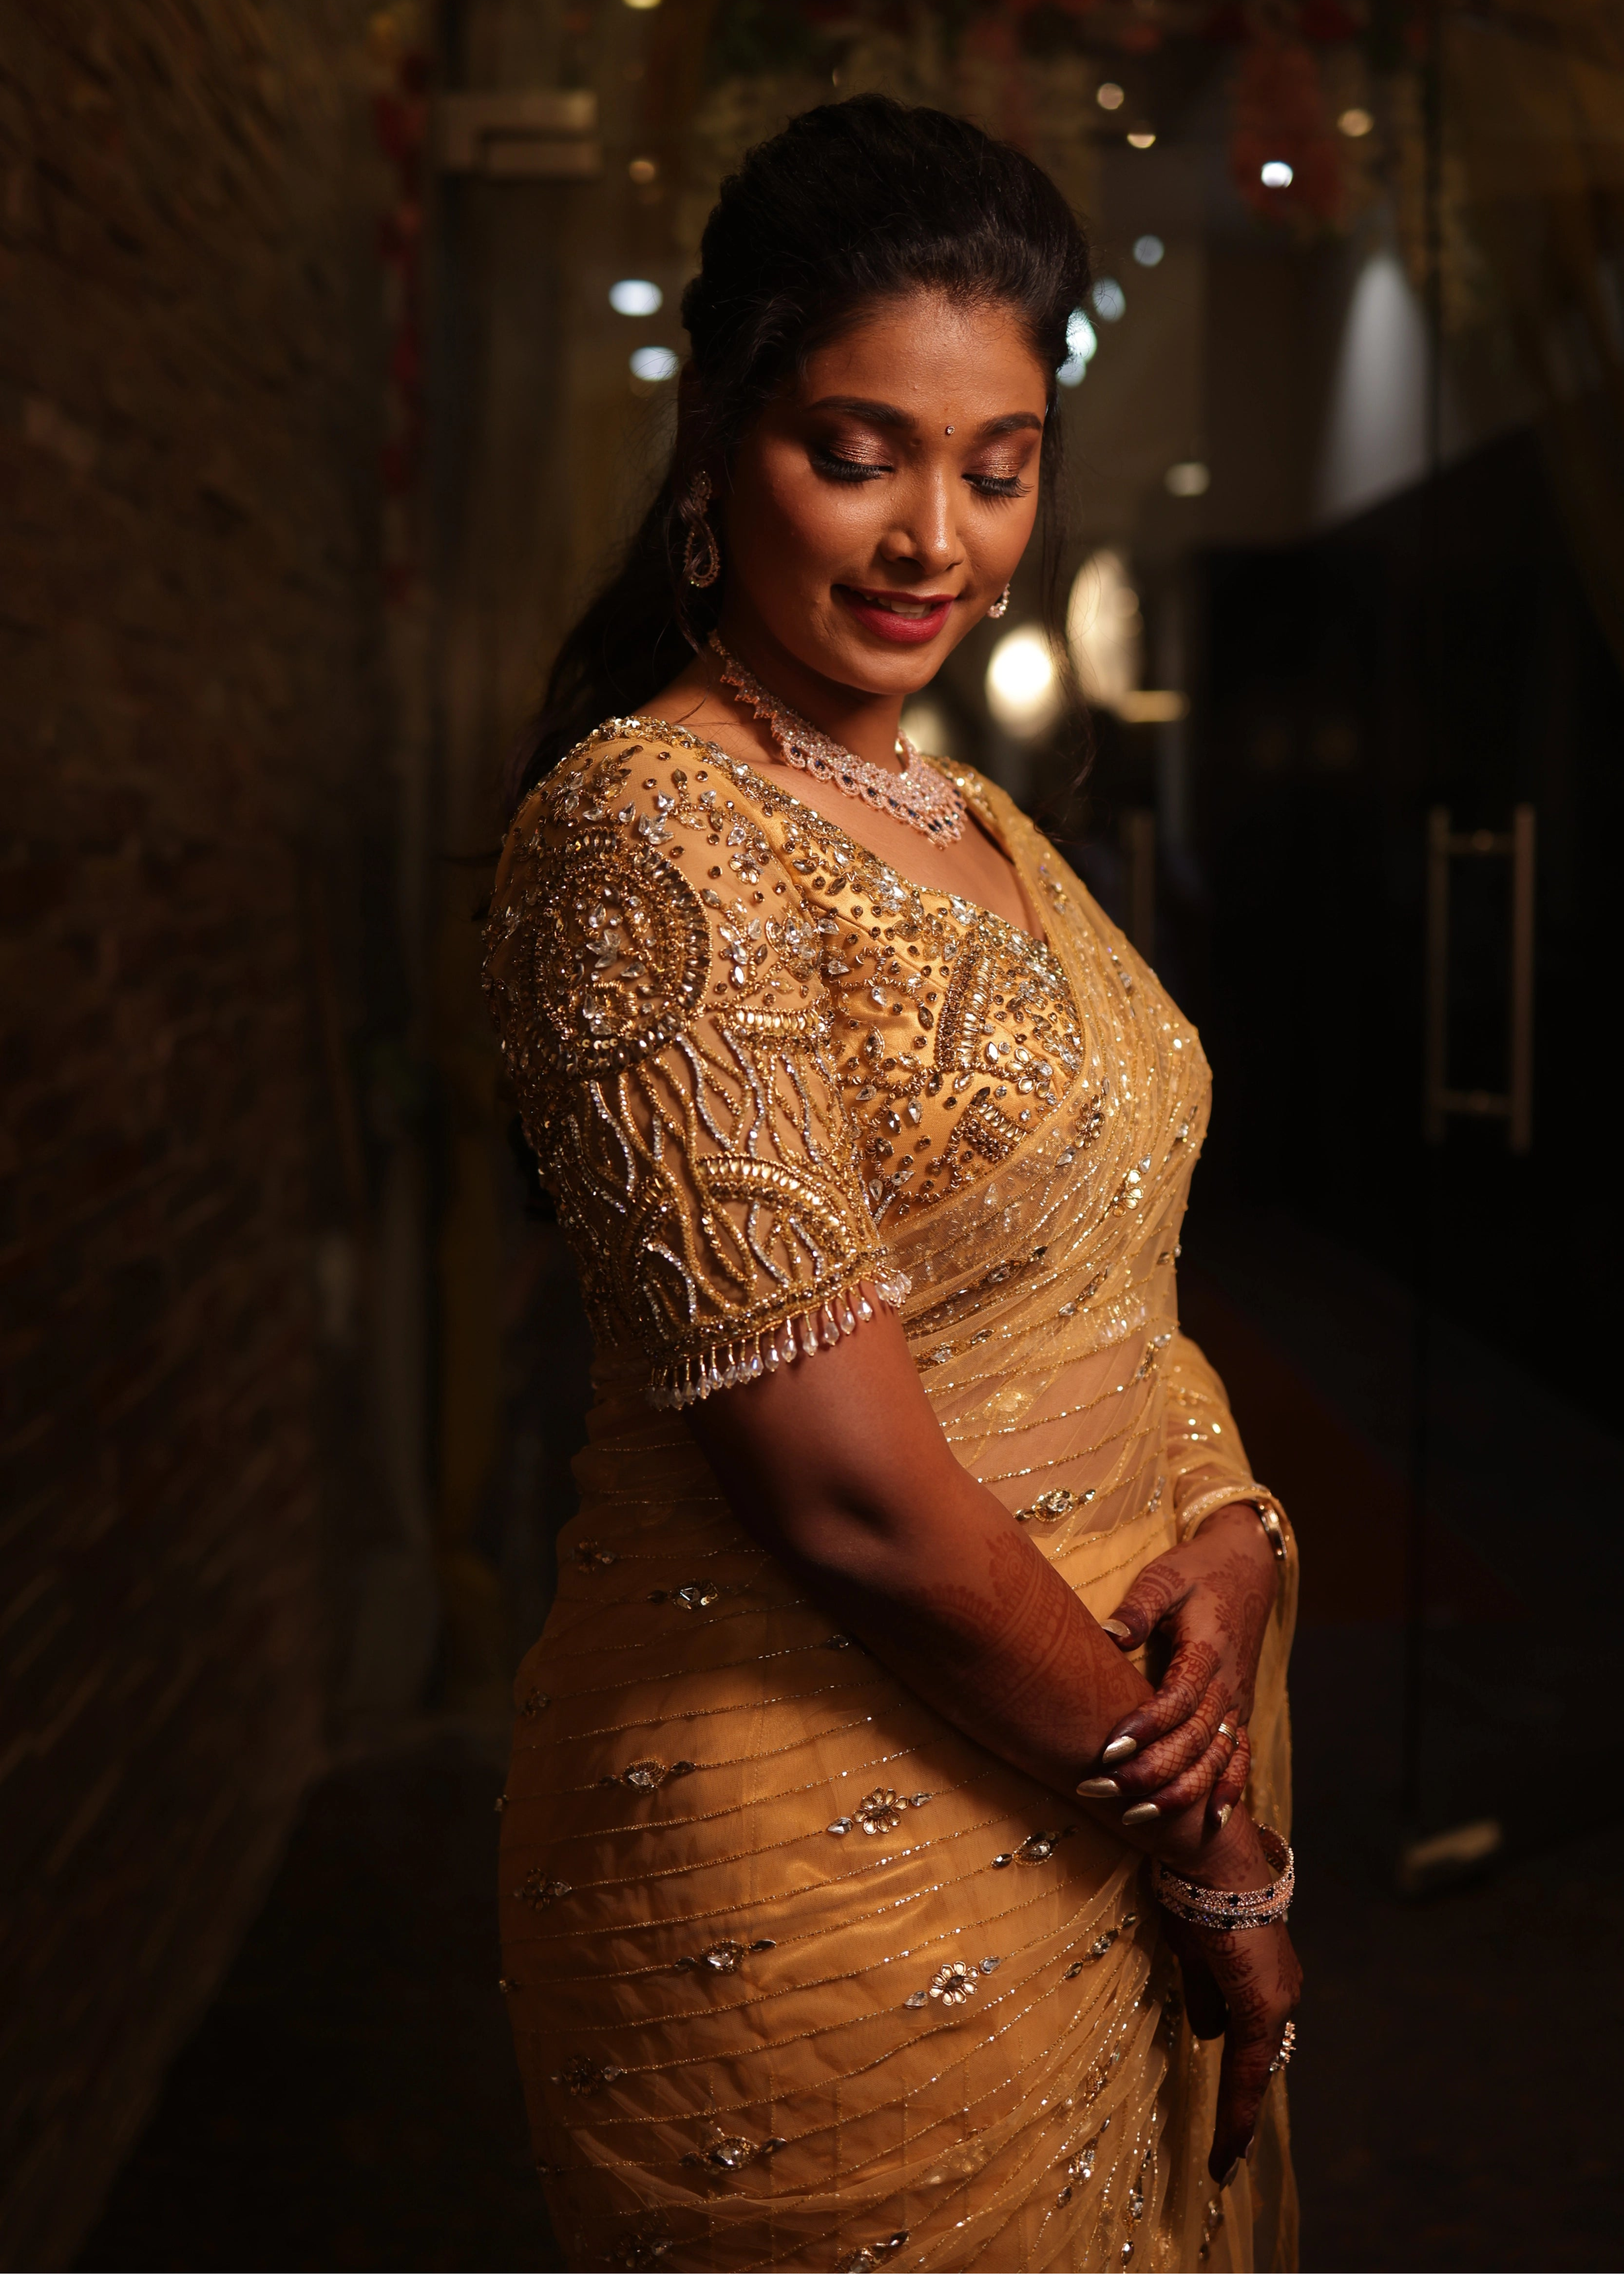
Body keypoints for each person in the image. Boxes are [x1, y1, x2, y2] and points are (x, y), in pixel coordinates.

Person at [484, 95, 1299, 2274]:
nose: (931, 533)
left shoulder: (973, 822)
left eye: (994, 461)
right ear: (715, 445)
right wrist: (1210, 1844)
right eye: (855, 452)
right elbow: (843, 1491)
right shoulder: (650, 835)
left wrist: (1223, 1536)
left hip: (1085, 1759)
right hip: (814, 1885)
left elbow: (1103, 1273)